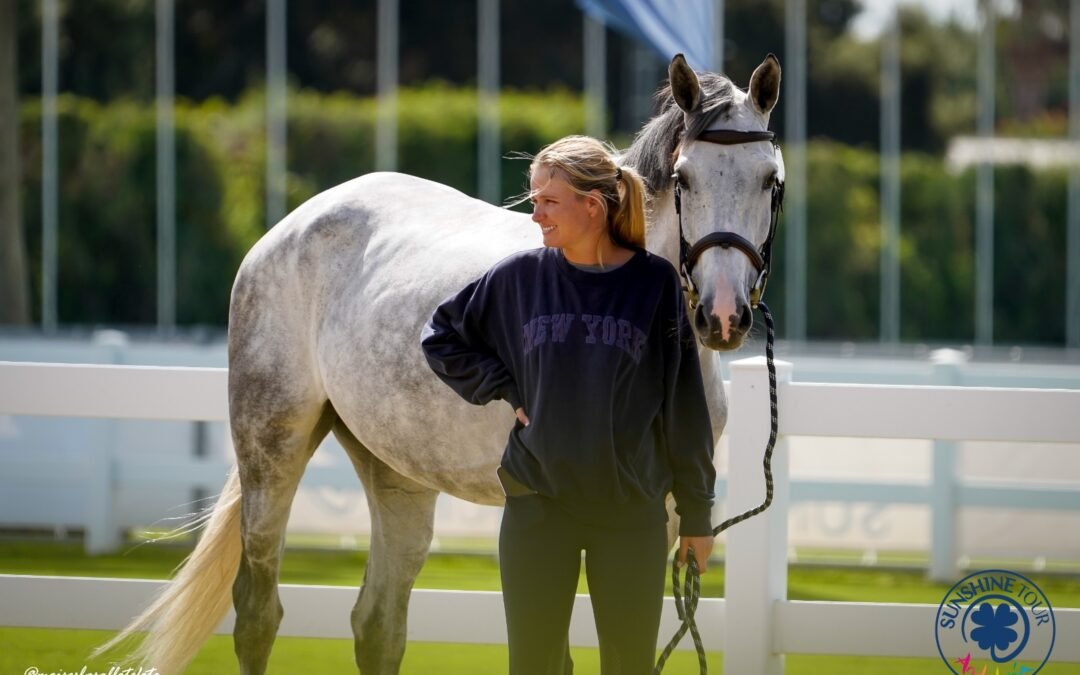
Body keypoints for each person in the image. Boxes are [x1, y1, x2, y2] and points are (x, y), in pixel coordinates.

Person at [420, 135, 716, 675]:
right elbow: (440, 336)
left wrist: (697, 514)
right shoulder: (518, 278)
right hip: (539, 508)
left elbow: (684, 405)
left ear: (593, 206)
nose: (535, 215)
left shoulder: (654, 285)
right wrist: (505, 386)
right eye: (534, 200)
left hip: (631, 515)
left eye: (546, 201)